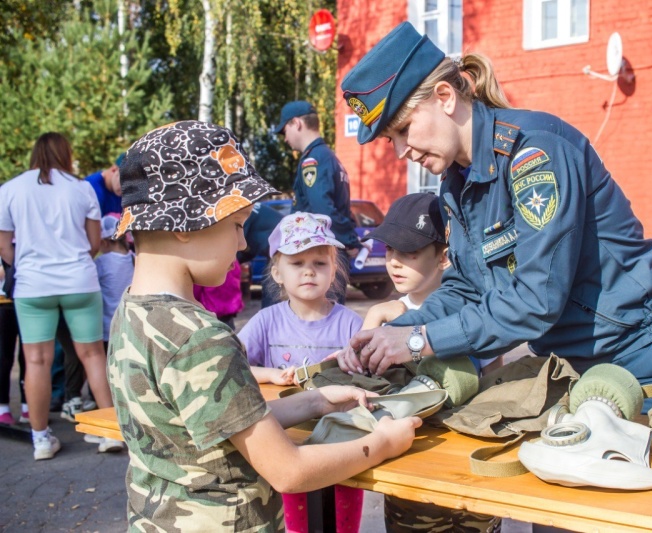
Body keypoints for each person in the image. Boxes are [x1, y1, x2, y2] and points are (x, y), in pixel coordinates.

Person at [338, 22, 652, 412]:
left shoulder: (534, 154)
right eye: (390, 140)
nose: (400, 151)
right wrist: (389, 336)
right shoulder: (456, 182)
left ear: (445, 96)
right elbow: (467, 287)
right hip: (573, 366)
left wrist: (418, 340)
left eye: (403, 129)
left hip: (642, 359)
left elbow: (536, 299)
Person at [108, 120, 419, 531]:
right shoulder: (199, 338)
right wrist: (381, 444)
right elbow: (289, 471)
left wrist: (315, 401)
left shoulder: (131, 311)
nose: (241, 244)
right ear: (185, 224)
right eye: (237, 225)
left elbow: (219, 422)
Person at [358, 192, 503, 533]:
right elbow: (362, 389)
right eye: (388, 249)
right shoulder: (382, 316)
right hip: (412, 472)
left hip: (469, 473)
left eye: (408, 252)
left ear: (445, 257)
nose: (393, 261)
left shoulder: (474, 317)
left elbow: (495, 384)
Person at [239, 211, 365, 533]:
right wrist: (268, 374)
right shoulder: (265, 322)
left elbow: (372, 376)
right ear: (277, 272)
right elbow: (230, 370)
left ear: (334, 269)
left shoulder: (351, 324)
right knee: (296, 525)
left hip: (342, 443)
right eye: (297, 263)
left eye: (319, 263)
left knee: (343, 523)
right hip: (286, 444)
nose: (309, 271)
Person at [0, 132, 123, 459]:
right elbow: (94, 243)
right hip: (79, 282)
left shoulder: (10, 189)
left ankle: (41, 439)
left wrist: (28, 265)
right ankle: (110, 432)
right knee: (93, 356)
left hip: (33, 286)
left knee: (36, 361)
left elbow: (4, 248)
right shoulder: (82, 189)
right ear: (66, 154)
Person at [277, 100, 361, 304]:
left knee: (318, 321)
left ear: (296, 123)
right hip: (326, 253)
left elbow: (322, 210)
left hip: (316, 254)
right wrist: (350, 239)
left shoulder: (312, 160)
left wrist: (349, 241)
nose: (285, 139)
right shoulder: (330, 157)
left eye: (284, 130)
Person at [94, 214, 135, 350]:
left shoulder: (102, 263)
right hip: (130, 326)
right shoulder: (134, 258)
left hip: (108, 328)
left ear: (104, 243)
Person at [235, 200, 284, 308]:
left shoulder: (240, 212)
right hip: (279, 250)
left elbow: (236, 245)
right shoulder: (245, 206)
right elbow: (248, 248)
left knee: (272, 293)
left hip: (282, 251)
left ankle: (272, 322)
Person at [0, 259, 28, 425]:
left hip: (27, 297)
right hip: (3, 303)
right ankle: (2, 406)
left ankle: (28, 405)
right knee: (4, 356)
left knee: (29, 357)